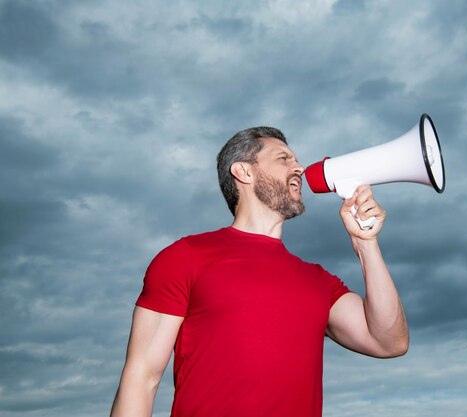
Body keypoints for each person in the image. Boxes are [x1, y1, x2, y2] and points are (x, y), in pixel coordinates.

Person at [110, 126, 409, 417]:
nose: (300, 167)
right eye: (284, 158)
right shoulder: (186, 257)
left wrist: (365, 242)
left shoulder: (318, 280)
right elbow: (142, 377)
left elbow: (389, 341)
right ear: (243, 172)